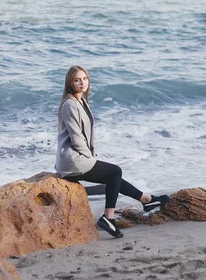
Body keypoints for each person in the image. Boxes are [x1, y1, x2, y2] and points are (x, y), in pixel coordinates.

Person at [56, 65, 169, 238]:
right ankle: (110, 217)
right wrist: (91, 158)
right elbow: (77, 138)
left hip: (78, 157)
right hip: (72, 160)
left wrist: (90, 157)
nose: (82, 83)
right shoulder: (70, 105)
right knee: (114, 171)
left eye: (85, 79)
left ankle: (146, 199)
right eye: (77, 80)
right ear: (70, 82)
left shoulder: (81, 101)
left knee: (113, 175)